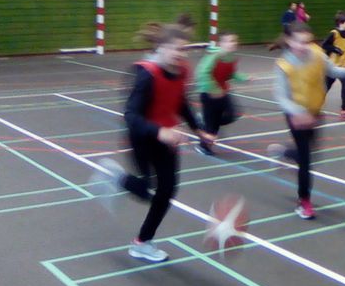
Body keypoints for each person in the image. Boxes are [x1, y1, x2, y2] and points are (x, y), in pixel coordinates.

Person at [94, 22, 215, 263]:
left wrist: (199, 130)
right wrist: (159, 131)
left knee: (167, 191)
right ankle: (118, 177)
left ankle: (142, 242)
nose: (180, 54)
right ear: (160, 47)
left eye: (184, 50)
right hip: (143, 139)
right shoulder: (146, 75)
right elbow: (131, 116)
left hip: (167, 138)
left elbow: (181, 102)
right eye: (175, 49)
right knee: (147, 190)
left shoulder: (180, 72)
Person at [268, 22, 345, 220]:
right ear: (289, 40)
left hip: (314, 112)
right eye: (299, 41)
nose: (304, 45)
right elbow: (281, 96)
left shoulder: (316, 52)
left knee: (312, 155)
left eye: (307, 41)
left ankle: (284, 152)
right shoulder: (283, 65)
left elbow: (332, 70)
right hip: (295, 116)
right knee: (306, 161)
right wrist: (298, 112)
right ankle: (303, 201)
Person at [193, 31, 249, 155]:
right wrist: (213, 89)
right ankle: (204, 146)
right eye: (229, 41)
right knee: (212, 125)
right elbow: (202, 73)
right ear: (221, 43)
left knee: (232, 114)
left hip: (223, 92)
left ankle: (204, 123)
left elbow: (231, 74)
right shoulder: (214, 56)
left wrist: (243, 78)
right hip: (208, 93)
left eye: (234, 41)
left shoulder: (232, 58)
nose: (232, 43)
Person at [322, 11, 345, 120]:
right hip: (332, 66)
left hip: (343, 66)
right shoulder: (334, 33)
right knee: (325, 88)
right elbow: (325, 45)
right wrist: (335, 49)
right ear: (341, 23)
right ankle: (313, 105)